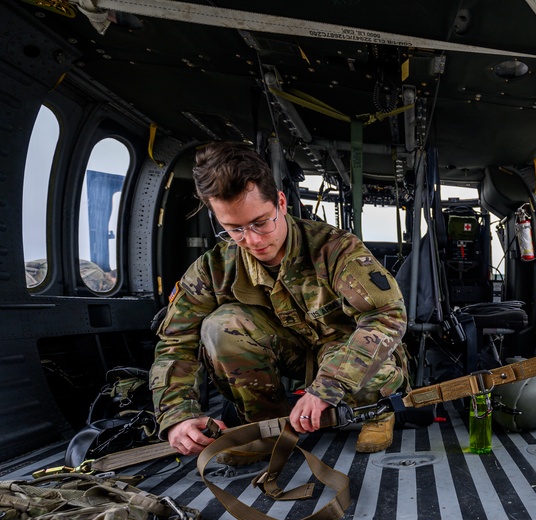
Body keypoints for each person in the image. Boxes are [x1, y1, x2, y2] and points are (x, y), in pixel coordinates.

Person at [150, 142, 408, 456]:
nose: (253, 240)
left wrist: (327, 388)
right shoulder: (214, 269)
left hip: (342, 350)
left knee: (371, 372)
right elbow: (176, 341)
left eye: (261, 222)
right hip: (290, 353)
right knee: (221, 325)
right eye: (235, 229)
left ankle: (378, 411)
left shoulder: (335, 249)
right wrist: (177, 415)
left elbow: (387, 315)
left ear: (281, 203)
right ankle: (266, 427)